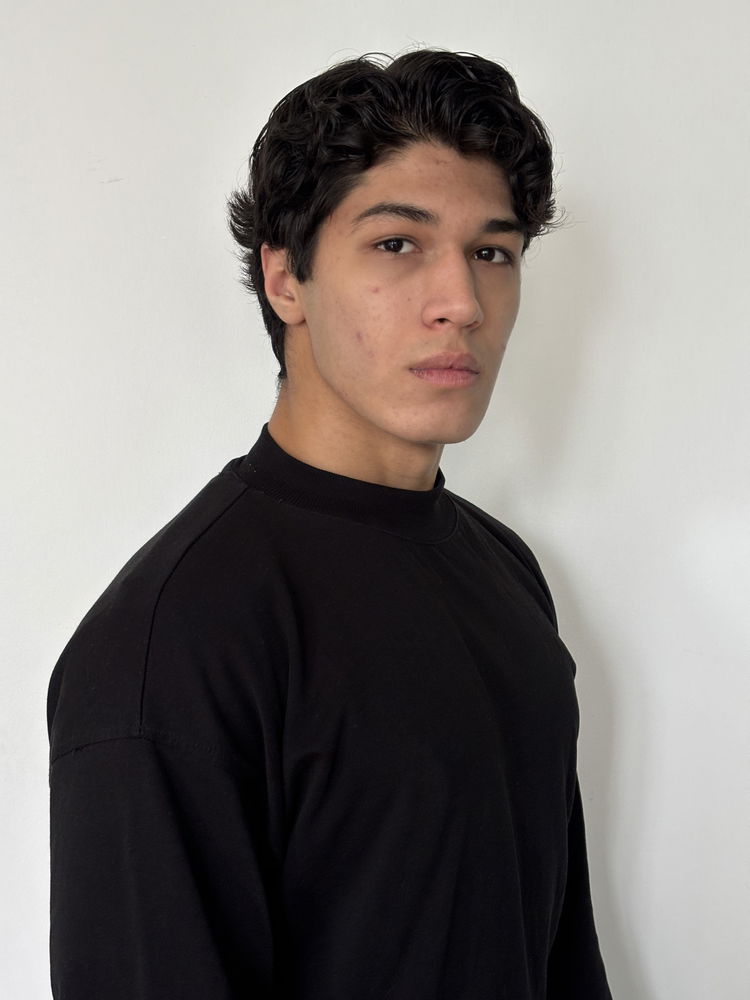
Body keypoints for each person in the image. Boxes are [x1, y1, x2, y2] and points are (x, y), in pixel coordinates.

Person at [48, 49, 612, 999]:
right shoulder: (174, 640)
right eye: (397, 244)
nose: (462, 305)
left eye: (492, 252)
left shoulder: (504, 568)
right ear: (285, 279)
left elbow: (556, 952)